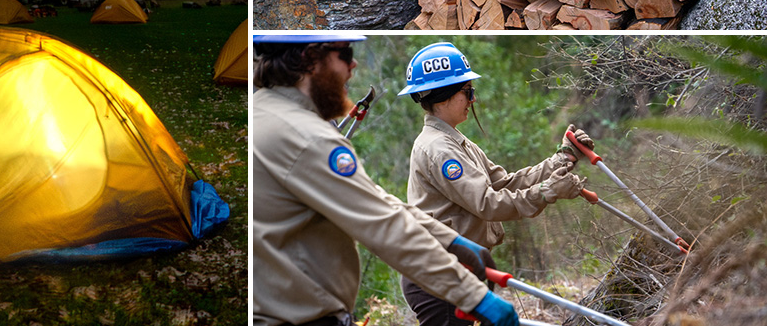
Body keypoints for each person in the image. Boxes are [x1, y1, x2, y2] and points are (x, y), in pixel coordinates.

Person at [251, 34, 519, 326]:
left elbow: (376, 200)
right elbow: (381, 224)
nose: (353, 64)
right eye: (344, 53)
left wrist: (451, 240)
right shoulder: (306, 138)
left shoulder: (263, 113)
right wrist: (473, 296)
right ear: (309, 59)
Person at [397, 42, 591, 326]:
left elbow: (505, 183)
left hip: (462, 268)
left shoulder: (457, 142)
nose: (472, 99)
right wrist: (548, 191)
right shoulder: (439, 149)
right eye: (467, 92)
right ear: (442, 97)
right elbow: (487, 204)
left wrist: (560, 160)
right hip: (439, 274)